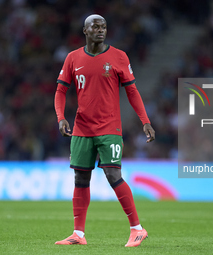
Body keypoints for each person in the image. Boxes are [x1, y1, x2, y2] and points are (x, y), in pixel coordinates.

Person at [54, 14, 155, 247]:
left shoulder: (119, 57)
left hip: (109, 127)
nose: (100, 30)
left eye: (104, 27)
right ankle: (78, 234)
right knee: (80, 178)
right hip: (81, 128)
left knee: (112, 175)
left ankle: (137, 229)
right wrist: (61, 117)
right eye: (95, 27)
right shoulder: (73, 58)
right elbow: (60, 91)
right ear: (85, 30)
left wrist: (145, 120)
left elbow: (132, 91)